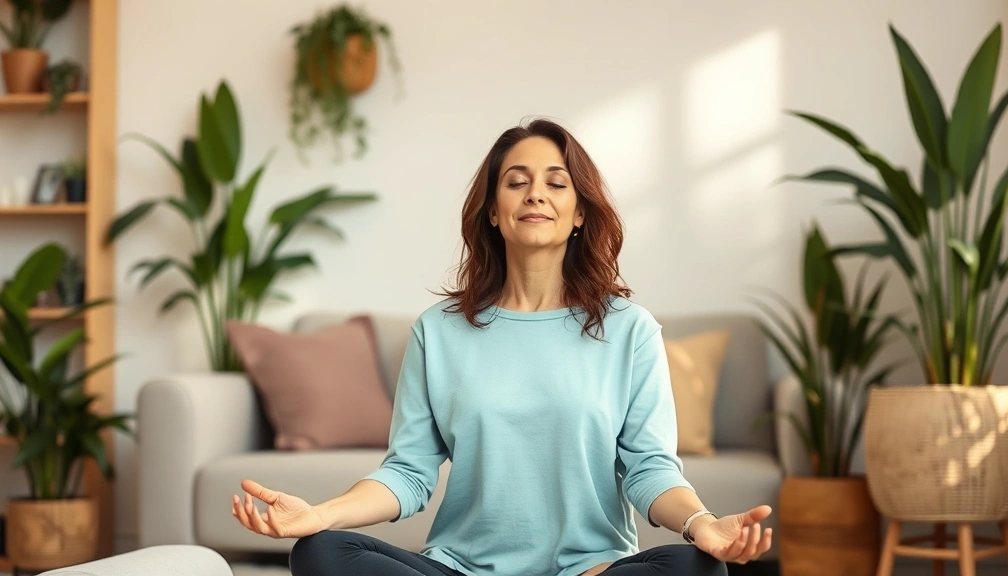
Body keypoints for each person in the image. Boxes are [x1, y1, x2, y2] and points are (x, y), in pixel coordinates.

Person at [231, 118, 773, 576]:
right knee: (322, 553)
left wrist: (704, 525)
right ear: (493, 209)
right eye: (517, 182)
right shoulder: (438, 331)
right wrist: (320, 515)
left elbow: (650, 468)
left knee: (696, 567)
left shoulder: (630, 329)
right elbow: (409, 472)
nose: (536, 193)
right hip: (463, 568)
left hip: (590, 569)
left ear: (580, 212)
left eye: (557, 183)